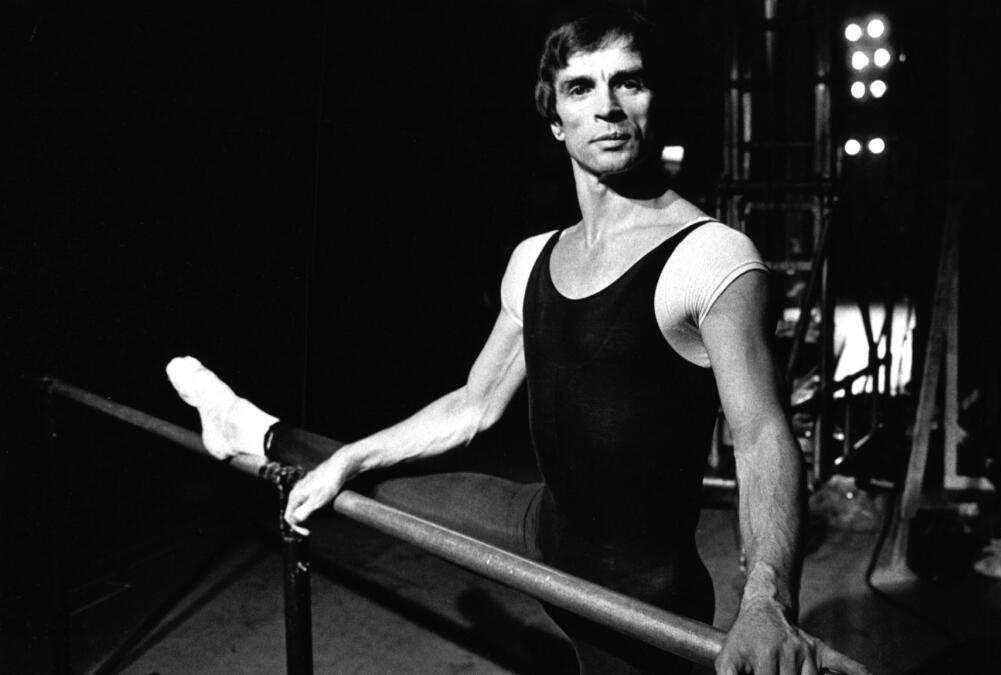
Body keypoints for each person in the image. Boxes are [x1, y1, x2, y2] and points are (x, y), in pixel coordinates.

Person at [167, 8, 869, 675]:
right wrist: (350, 455)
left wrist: (767, 599)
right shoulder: (532, 258)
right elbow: (475, 404)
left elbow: (762, 438)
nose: (608, 106)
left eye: (629, 80)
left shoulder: (712, 258)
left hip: (631, 597)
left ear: (654, 99)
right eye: (581, 87)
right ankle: (253, 433)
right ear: (555, 118)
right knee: (368, 479)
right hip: (540, 529)